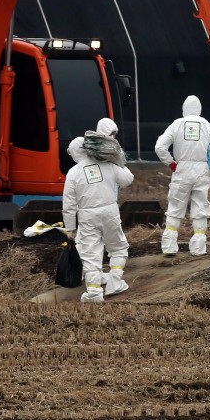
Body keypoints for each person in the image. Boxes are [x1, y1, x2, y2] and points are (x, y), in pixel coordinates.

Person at [62, 121, 133, 304]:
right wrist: (118, 160)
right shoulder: (107, 164)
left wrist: (70, 228)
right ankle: (115, 282)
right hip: (110, 211)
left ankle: (94, 292)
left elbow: (69, 204)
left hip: (87, 216)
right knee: (118, 247)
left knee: (90, 253)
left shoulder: (73, 172)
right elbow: (127, 180)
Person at [155, 95, 210, 256]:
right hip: (202, 169)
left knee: (175, 206)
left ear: (184, 109)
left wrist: (170, 163)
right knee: (200, 206)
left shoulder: (177, 124)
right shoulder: (208, 126)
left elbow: (160, 147)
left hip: (181, 168)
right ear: (199, 110)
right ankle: (198, 247)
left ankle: (169, 246)